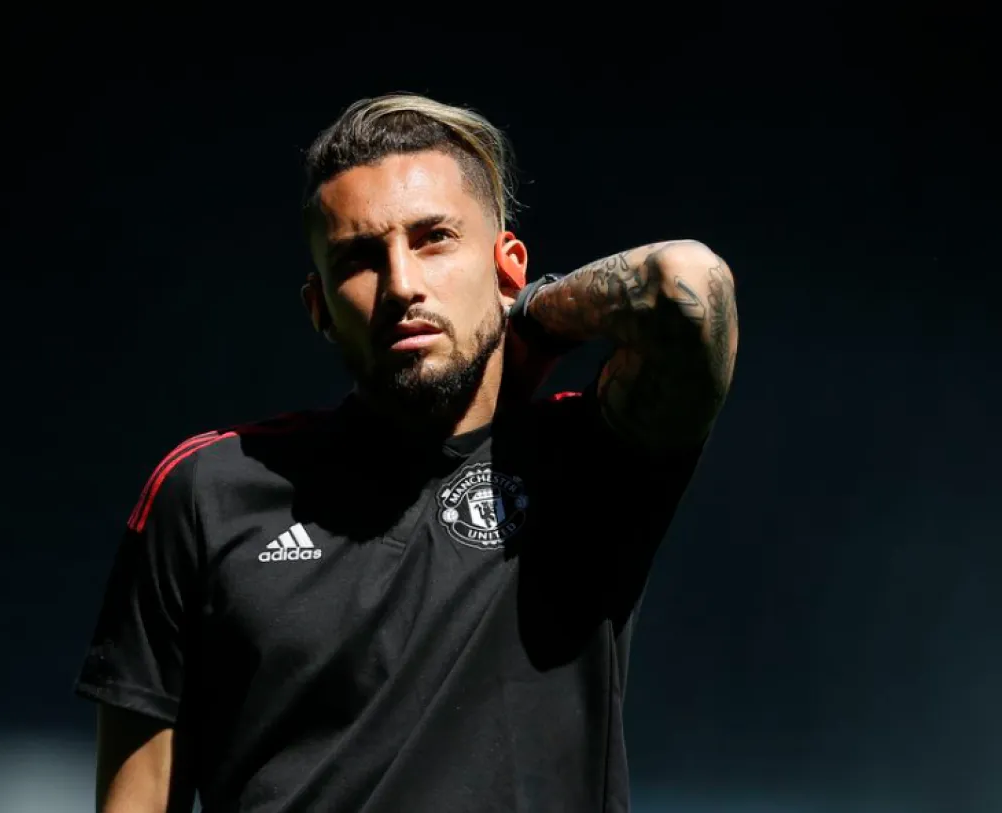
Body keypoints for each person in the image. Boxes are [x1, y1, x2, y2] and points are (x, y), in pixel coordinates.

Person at [74, 92, 739, 813]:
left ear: (507, 265)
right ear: (319, 307)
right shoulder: (210, 491)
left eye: (435, 238)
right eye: (360, 257)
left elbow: (686, 289)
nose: (401, 284)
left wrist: (536, 322)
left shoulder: (583, 462)